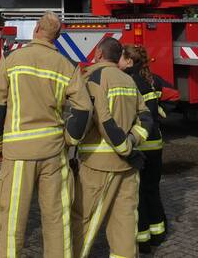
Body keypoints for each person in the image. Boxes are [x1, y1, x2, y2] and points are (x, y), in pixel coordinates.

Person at [0, 11, 92, 258]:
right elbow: (84, 108)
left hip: (18, 152)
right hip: (54, 152)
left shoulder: (13, 59)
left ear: (36, 29)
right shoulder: (66, 65)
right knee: (57, 218)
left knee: (11, 219)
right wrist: (70, 140)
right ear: (56, 37)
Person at [72, 37, 153, 258]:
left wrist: (124, 146)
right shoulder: (128, 80)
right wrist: (133, 142)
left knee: (82, 221)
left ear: (98, 53)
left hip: (98, 165)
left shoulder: (92, 78)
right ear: (118, 57)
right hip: (127, 167)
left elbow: (101, 119)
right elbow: (146, 117)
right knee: (124, 225)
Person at [120, 44, 169, 252]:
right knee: (152, 189)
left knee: (138, 194)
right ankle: (158, 232)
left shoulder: (130, 82)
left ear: (129, 61)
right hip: (155, 144)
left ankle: (144, 241)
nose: (118, 61)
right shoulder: (151, 79)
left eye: (121, 58)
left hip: (141, 144)